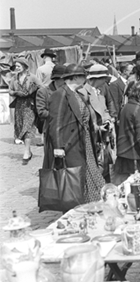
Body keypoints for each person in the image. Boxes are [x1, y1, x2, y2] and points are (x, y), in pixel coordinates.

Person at [46, 64, 105, 203]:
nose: (86, 79)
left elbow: (82, 119)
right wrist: (58, 147)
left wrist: (95, 128)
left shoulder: (77, 94)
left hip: (85, 142)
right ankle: (76, 209)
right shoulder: (60, 94)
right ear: (76, 77)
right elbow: (56, 122)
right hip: (70, 144)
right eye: (84, 76)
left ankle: (90, 205)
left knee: (90, 175)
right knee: (74, 179)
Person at [112, 83, 140, 185]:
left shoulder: (126, 107)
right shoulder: (138, 110)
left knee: (123, 184)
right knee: (136, 185)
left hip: (124, 153)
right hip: (134, 155)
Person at [9, 57, 44, 164]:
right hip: (19, 106)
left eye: (19, 66)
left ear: (24, 66)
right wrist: (15, 93)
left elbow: (42, 87)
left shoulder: (32, 77)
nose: (17, 68)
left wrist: (33, 92)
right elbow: (10, 90)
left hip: (30, 105)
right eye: (15, 66)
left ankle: (25, 152)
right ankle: (28, 151)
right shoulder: (14, 78)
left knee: (28, 127)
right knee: (20, 127)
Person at [35, 64, 66, 143]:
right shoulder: (43, 92)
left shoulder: (68, 91)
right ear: (56, 79)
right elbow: (41, 112)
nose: (66, 81)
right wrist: (59, 115)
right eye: (64, 79)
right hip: (51, 129)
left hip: (67, 129)